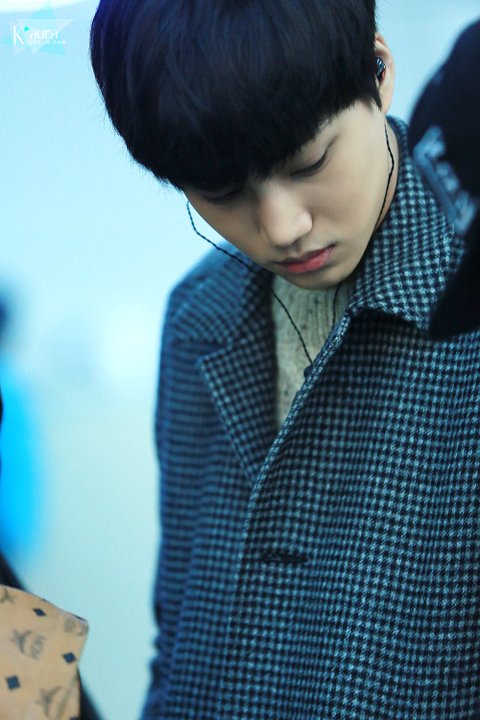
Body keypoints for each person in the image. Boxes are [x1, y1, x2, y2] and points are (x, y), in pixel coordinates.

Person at [89, 2, 480, 718]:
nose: (282, 228)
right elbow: (182, 640)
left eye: (309, 162)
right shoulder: (198, 318)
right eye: (221, 191)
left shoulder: (469, 299)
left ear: (378, 70)